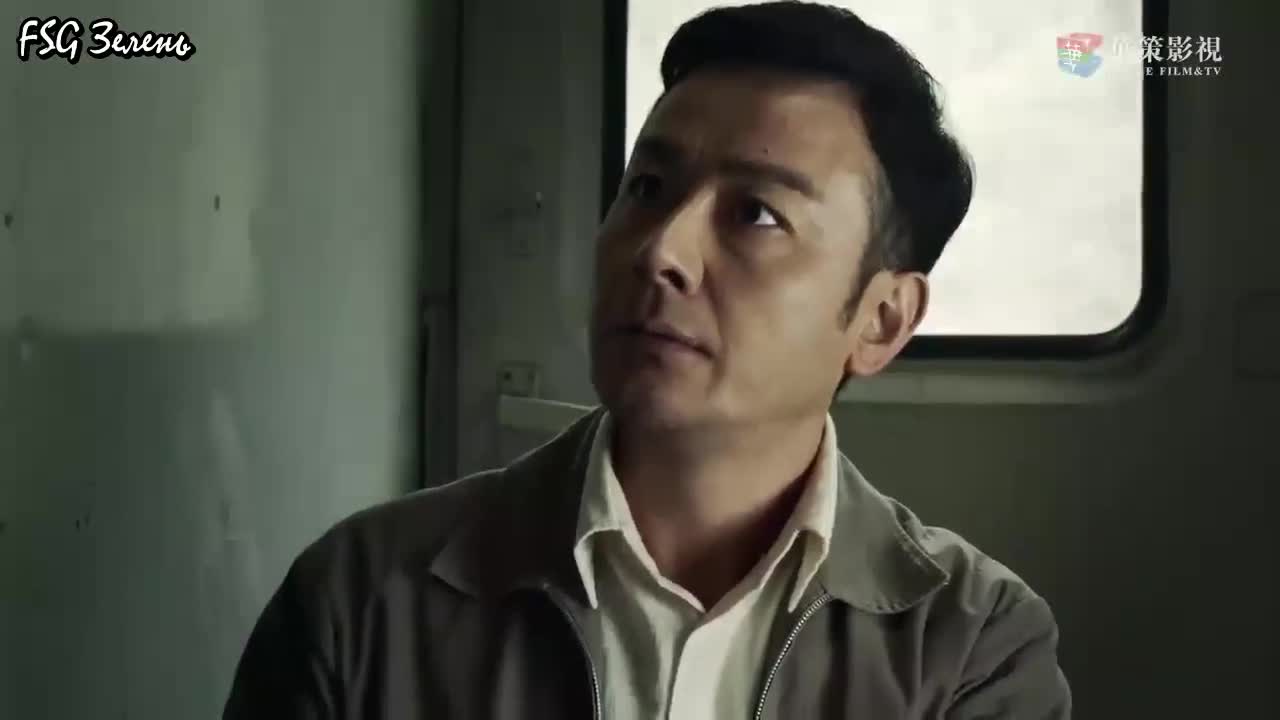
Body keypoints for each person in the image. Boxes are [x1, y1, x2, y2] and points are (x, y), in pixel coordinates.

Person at [223, 2, 1071, 718]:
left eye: (757, 215)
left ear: (882, 321)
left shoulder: (971, 648)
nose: (661, 249)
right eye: (648, 189)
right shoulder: (363, 602)